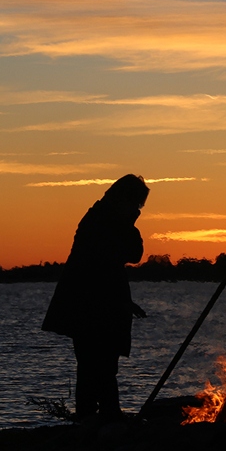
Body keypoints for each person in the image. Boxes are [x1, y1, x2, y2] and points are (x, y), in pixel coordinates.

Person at [42, 174, 149, 421]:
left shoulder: (105, 219)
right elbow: (121, 257)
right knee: (96, 364)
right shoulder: (100, 222)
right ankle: (99, 417)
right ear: (124, 199)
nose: (138, 210)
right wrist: (130, 223)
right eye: (136, 204)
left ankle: (98, 417)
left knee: (100, 364)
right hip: (88, 306)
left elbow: (132, 255)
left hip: (97, 304)